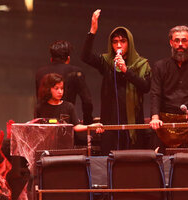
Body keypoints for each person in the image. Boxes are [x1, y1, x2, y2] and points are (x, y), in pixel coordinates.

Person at [81, 9, 151, 153]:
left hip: (133, 124)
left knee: (133, 163)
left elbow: (146, 87)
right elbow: (85, 56)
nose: (118, 45)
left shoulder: (141, 64)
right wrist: (92, 31)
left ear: (129, 43)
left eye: (122, 41)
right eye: (115, 42)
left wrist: (126, 71)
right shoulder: (106, 62)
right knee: (110, 162)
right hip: (110, 122)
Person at [149, 25, 188, 148]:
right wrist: (155, 117)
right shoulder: (160, 66)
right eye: (176, 40)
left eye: (184, 40)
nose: (180, 44)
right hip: (164, 125)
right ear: (171, 43)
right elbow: (155, 94)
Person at [35, 40, 94, 125]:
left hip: (44, 126)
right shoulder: (75, 72)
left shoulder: (40, 73)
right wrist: (88, 122)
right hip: (67, 124)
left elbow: (39, 100)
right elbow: (87, 100)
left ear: (51, 58)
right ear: (68, 58)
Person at [35, 73, 103, 134]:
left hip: (65, 144)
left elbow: (76, 126)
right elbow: (36, 129)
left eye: (62, 88)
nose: (60, 92)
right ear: (48, 89)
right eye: (56, 88)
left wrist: (91, 126)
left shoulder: (68, 106)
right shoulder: (40, 108)